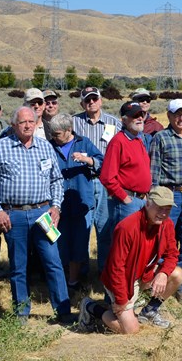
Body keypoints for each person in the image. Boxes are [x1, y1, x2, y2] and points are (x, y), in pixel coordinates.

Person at [0, 106, 73, 324]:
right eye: (23, 122)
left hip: (44, 213)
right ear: (14, 125)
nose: (28, 125)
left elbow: (57, 180)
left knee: (53, 262)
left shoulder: (45, 147)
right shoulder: (1, 147)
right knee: (18, 266)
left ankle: (63, 309)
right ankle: (21, 311)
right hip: (14, 215)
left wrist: (56, 206)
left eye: (31, 121)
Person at [77, 187, 182, 334]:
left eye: (167, 209)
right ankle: (90, 307)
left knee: (177, 274)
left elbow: (172, 254)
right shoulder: (127, 227)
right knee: (131, 330)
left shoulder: (167, 225)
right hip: (122, 280)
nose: (163, 213)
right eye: (159, 208)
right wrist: (121, 300)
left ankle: (149, 311)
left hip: (144, 274)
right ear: (147, 203)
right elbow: (116, 269)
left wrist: (164, 273)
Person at [149, 99, 182, 302]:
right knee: (164, 242)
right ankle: (162, 281)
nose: (181, 118)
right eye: (176, 114)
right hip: (168, 195)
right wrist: (155, 199)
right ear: (168, 116)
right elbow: (154, 171)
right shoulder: (160, 138)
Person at [48, 113, 104, 289]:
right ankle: (60, 279)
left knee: (79, 243)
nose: (54, 137)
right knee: (58, 242)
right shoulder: (49, 146)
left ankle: (74, 281)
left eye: (57, 134)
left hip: (81, 203)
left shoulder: (84, 143)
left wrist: (87, 160)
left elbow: (102, 162)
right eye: (52, 134)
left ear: (68, 131)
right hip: (57, 204)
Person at [72, 86, 123, 274]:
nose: (91, 102)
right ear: (82, 104)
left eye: (94, 99)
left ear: (101, 100)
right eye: (87, 100)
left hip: (105, 182)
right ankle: (82, 272)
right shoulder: (74, 123)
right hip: (81, 181)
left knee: (105, 228)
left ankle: (104, 271)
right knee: (82, 228)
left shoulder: (114, 124)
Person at [97, 101, 152, 274]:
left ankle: (131, 287)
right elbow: (107, 177)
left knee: (136, 246)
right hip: (127, 203)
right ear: (124, 119)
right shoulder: (118, 142)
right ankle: (116, 291)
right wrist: (125, 198)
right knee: (123, 249)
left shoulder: (139, 139)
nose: (139, 118)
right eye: (135, 115)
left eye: (141, 115)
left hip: (141, 200)